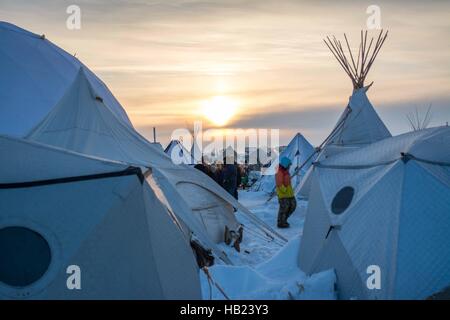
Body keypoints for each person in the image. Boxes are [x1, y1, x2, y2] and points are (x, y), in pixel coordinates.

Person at [275, 157, 296, 228]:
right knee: (284, 209)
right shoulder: (279, 172)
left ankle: (284, 220)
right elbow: (279, 184)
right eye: (289, 165)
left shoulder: (285, 171)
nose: (289, 166)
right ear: (285, 164)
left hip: (289, 193)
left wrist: (289, 191)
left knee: (293, 206)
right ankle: (281, 222)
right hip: (283, 195)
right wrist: (285, 190)